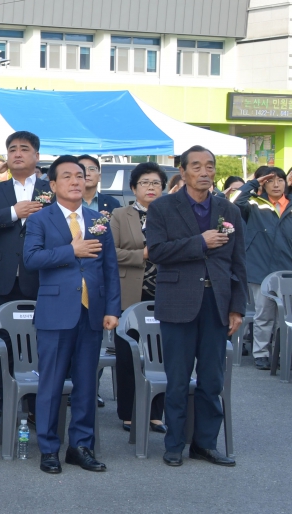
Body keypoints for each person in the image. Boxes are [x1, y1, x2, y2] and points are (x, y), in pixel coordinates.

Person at [145, 145, 246, 467]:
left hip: (216, 302)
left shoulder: (226, 209)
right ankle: (174, 444)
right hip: (178, 302)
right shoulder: (162, 207)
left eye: (210, 166)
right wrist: (200, 242)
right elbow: (157, 251)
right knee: (177, 378)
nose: (205, 172)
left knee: (212, 379)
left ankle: (205, 443)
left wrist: (238, 307)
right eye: (198, 166)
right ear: (183, 172)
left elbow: (238, 262)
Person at [23, 155, 121, 475]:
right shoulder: (41, 219)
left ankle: (81, 446)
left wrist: (112, 309)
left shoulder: (98, 219)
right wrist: (71, 251)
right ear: (53, 185)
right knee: (51, 384)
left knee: (86, 384)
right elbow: (31, 259)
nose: (76, 181)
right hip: (55, 311)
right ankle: (49, 449)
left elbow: (110, 268)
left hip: (91, 313)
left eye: (80, 175)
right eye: (67, 176)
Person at [0, 131, 50, 432]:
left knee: (41, 347)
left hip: (41, 280)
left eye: (24, 149)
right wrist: (12, 213)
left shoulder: (50, 189)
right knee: (4, 346)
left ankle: (36, 409)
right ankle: (6, 407)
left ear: (36, 156)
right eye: (12, 149)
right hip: (2, 279)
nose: (17, 153)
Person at [110, 162, 168, 432]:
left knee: (162, 355)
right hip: (129, 294)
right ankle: (128, 412)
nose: (151, 187)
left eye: (156, 182)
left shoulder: (172, 214)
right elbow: (110, 252)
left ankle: (156, 414)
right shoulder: (121, 215)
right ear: (134, 188)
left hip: (165, 294)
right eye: (145, 182)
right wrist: (141, 256)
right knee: (128, 354)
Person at [233, 166, 292, 371]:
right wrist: (254, 183)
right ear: (264, 184)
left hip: (287, 270)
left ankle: (284, 353)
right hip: (260, 269)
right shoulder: (253, 204)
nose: (276, 185)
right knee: (264, 314)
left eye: (280, 180)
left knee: (285, 318)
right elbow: (236, 201)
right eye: (270, 181)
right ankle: (261, 353)